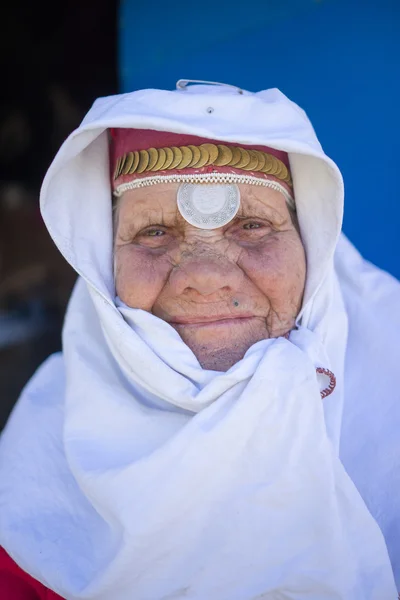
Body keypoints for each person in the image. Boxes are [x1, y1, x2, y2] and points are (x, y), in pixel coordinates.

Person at [0, 81, 399, 600]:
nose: (207, 277)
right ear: (103, 262)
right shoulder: (33, 474)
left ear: (313, 247)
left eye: (253, 225)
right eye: (155, 233)